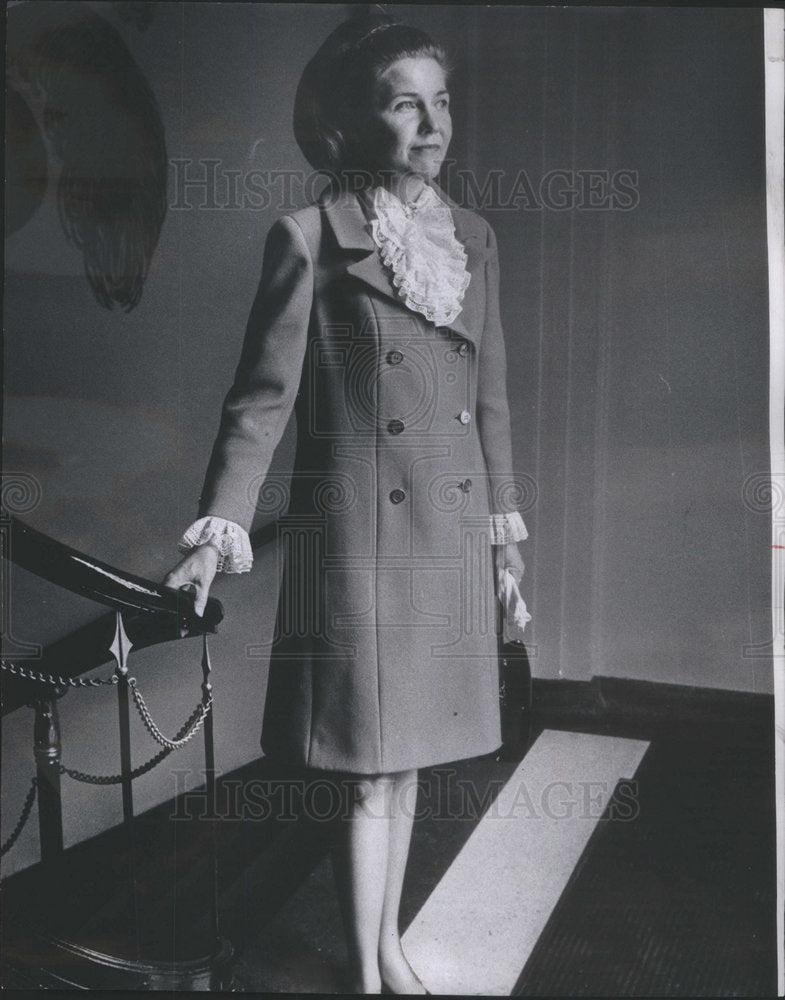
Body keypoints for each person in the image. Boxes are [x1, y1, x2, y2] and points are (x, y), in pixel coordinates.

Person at [164, 14, 527, 995]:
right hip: (362, 541)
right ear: (354, 122)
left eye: (440, 101)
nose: (431, 124)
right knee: (367, 764)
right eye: (404, 103)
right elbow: (260, 401)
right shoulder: (309, 239)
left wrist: (503, 535)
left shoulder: (474, 240)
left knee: (405, 763)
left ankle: (386, 948)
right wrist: (216, 531)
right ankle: (370, 972)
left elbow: (489, 400)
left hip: (446, 532)